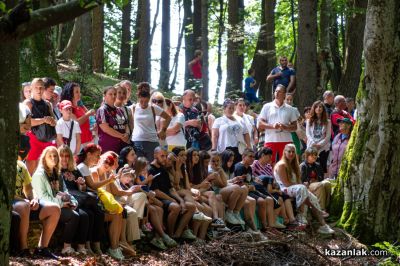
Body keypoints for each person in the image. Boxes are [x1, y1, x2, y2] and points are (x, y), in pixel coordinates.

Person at [31, 146, 88, 255]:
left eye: (55, 156)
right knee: (74, 216)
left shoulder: (57, 173)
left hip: (59, 205)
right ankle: (65, 247)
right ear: (44, 159)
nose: (53, 158)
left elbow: (66, 191)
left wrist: (72, 202)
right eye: (50, 156)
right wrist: (62, 204)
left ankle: (69, 247)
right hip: (44, 206)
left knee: (79, 214)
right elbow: (43, 197)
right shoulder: (39, 174)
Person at [12, 139, 60, 259]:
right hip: (14, 203)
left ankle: (42, 248)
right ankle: (23, 249)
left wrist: (34, 199)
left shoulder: (21, 165)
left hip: (25, 202)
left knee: (54, 208)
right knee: (24, 206)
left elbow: (29, 188)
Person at [274, 144, 335, 234]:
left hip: (296, 188)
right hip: (284, 189)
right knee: (302, 189)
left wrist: (302, 185)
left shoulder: (294, 165)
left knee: (313, 197)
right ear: (284, 152)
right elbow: (286, 183)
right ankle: (301, 215)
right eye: (289, 151)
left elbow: (299, 181)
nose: (291, 153)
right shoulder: (281, 165)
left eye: (293, 151)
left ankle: (323, 226)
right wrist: (301, 185)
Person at [58, 145, 105, 255]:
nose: (64, 159)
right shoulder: (57, 171)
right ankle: (84, 246)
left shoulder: (74, 169)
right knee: (90, 208)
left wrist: (81, 184)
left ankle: (91, 245)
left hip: (80, 199)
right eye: (62, 156)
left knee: (95, 213)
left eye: (67, 156)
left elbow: (82, 189)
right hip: (69, 199)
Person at [149, 147, 197, 240]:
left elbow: (171, 188)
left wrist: (180, 200)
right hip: (159, 197)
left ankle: (178, 233)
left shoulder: (163, 170)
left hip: (168, 196)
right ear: (155, 155)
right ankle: (170, 235)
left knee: (191, 206)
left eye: (165, 156)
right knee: (176, 207)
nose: (164, 158)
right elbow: (156, 191)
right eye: (162, 156)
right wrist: (172, 200)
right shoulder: (151, 169)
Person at [133, 156, 178, 249]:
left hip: (147, 196)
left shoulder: (145, 174)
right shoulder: (136, 175)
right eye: (144, 168)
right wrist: (148, 180)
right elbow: (139, 186)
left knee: (160, 209)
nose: (146, 169)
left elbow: (147, 187)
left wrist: (149, 181)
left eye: (146, 168)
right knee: (153, 208)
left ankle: (158, 235)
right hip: (141, 198)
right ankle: (160, 233)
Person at [168, 147, 213, 240]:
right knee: (199, 207)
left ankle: (201, 238)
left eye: (185, 155)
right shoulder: (171, 168)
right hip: (175, 194)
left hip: (186, 194)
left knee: (208, 209)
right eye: (181, 155)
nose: (184, 157)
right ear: (175, 157)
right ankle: (193, 235)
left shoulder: (184, 170)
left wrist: (195, 191)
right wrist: (177, 168)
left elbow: (188, 187)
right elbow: (176, 185)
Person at [89, 153, 126, 260]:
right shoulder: (94, 172)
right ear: (100, 159)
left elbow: (108, 194)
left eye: (111, 163)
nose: (107, 164)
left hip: (101, 206)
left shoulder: (106, 174)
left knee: (119, 212)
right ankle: (114, 247)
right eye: (106, 161)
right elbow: (96, 193)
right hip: (95, 206)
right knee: (116, 214)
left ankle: (115, 247)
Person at [251, 148, 298, 228]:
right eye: (269, 156)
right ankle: (284, 220)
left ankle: (291, 219)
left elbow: (272, 180)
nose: (270, 158)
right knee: (279, 198)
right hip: (261, 188)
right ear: (262, 155)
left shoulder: (269, 166)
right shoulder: (255, 163)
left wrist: (276, 188)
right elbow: (251, 175)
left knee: (285, 196)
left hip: (270, 186)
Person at [234, 149, 279, 231]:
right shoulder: (240, 167)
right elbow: (239, 184)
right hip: (244, 192)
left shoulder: (249, 168)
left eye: (253, 157)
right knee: (262, 201)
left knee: (269, 199)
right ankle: (264, 226)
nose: (252, 158)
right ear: (243, 157)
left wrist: (254, 180)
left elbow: (249, 180)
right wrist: (251, 186)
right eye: (250, 156)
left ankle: (270, 225)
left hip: (251, 189)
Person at [258, 85, 299, 164]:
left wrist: (285, 127)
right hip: (270, 140)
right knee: (268, 165)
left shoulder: (290, 109)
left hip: (286, 141)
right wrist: (272, 126)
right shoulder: (267, 106)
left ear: (284, 94)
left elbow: (295, 127)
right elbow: (260, 124)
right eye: (276, 91)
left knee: (286, 165)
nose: (276, 93)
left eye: (279, 91)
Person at [131, 82, 171, 162]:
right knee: (138, 166)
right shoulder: (133, 107)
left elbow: (168, 117)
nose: (143, 104)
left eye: (146, 101)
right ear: (138, 98)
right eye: (141, 101)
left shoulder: (153, 107)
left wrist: (163, 130)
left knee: (151, 166)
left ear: (149, 99)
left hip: (152, 141)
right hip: (137, 141)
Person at [24, 78, 57, 175]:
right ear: (31, 88)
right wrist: (43, 120)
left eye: (41, 87)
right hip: (32, 138)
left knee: (42, 168)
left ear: (44, 89)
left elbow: (54, 122)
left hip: (46, 139)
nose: (39, 90)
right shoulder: (27, 103)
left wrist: (51, 121)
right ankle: (29, 189)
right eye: (36, 87)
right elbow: (27, 122)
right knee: (31, 168)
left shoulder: (48, 104)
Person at [212, 99, 251, 165]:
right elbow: (215, 136)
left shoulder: (240, 120)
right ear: (224, 108)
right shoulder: (218, 120)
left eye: (233, 108)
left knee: (237, 168)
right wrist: (214, 149)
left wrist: (249, 147)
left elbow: (246, 133)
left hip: (239, 149)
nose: (231, 110)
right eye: (229, 108)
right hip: (224, 150)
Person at [60, 82, 96, 147]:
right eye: (76, 92)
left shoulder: (80, 107)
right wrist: (88, 114)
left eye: (79, 91)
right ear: (70, 94)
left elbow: (91, 119)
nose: (79, 94)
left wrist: (93, 131)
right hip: (77, 143)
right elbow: (76, 123)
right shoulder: (68, 108)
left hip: (88, 141)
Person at [96, 86, 130, 154]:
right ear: (104, 96)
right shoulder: (102, 110)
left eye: (115, 94)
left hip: (122, 146)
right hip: (108, 147)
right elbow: (106, 128)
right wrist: (121, 136)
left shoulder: (120, 110)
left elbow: (126, 125)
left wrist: (127, 134)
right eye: (110, 94)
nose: (113, 96)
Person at [300, 147, 331, 216]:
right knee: (319, 185)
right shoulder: (303, 166)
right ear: (307, 156)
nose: (314, 157)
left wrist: (318, 180)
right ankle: (320, 209)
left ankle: (326, 207)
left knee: (327, 184)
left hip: (317, 183)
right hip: (308, 185)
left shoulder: (317, 165)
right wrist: (310, 181)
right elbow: (302, 180)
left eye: (315, 155)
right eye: (312, 155)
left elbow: (321, 178)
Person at [306, 101, 331, 175]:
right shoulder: (309, 121)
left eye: (320, 107)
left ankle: (322, 183)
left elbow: (328, 136)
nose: (318, 108)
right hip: (311, 146)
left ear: (323, 109)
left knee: (322, 167)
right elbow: (308, 134)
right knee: (310, 167)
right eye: (316, 107)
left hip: (323, 147)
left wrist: (320, 144)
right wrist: (314, 143)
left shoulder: (328, 122)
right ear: (314, 109)